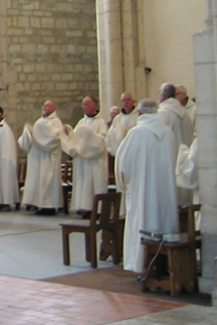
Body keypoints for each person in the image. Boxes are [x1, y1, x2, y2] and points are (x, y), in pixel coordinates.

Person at [114, 98, 180, 272]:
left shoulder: (137, 133)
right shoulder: (168, 133)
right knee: (163, 222)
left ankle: (140, 264)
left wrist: (127, 184)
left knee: (142, 220)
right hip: (165, 191)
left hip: (142, 190)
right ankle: (165, 265)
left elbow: (124, 165)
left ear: (140, 113)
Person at [60, 95, 108, 217]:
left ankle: (96, 210)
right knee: (84, 184)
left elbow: (102, 140)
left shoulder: (100, 122)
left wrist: (89, 135)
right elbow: (75, 139)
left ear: (94, 105)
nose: (84, 107)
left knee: (94, 184)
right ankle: (84, 207)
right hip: (82, 161)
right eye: (83, 104)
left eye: (86, 104)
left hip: (95, 161)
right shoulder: (81, 122)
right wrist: (69, 132)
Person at [18, 100, 64, 214]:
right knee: (37, 180)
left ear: (54, 109)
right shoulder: (39, 121)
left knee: (47, 180)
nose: (44, 107)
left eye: (48, 105)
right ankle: (37, 204)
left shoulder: (56, 122)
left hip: (48, 158)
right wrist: (29, 132)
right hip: (36, 156)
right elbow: (34, 137)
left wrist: (39, 131)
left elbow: (56, 137)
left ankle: (49, 206)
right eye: (44, 105)